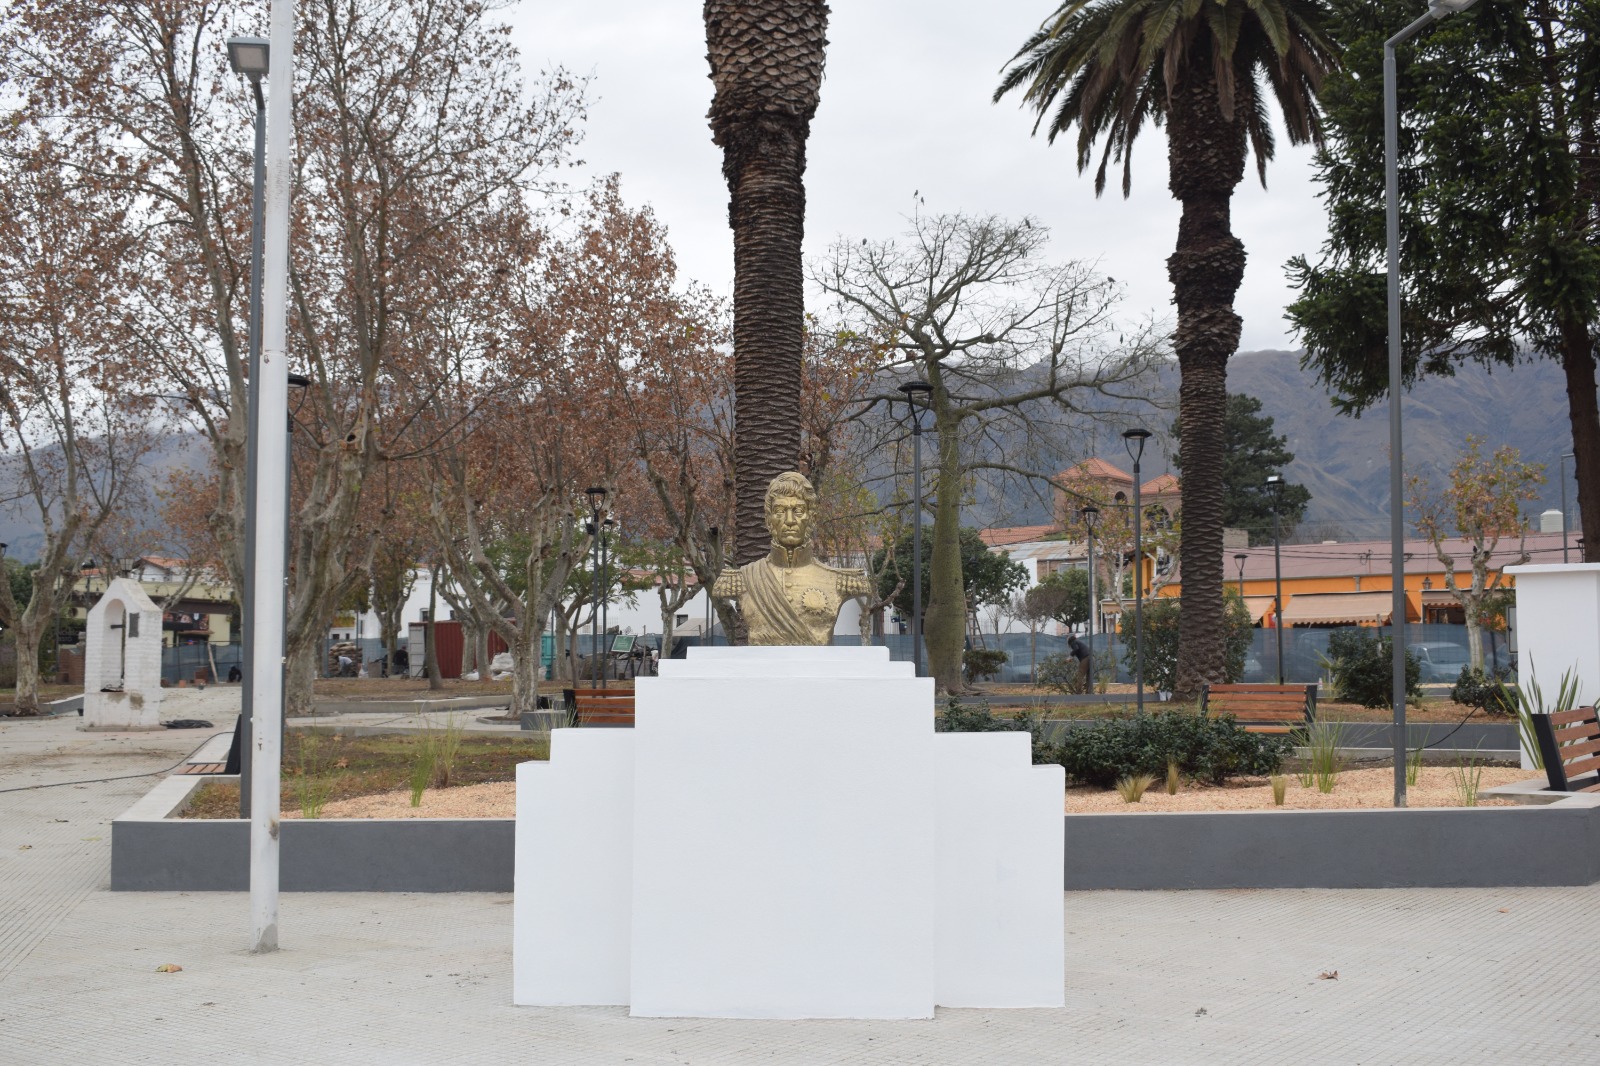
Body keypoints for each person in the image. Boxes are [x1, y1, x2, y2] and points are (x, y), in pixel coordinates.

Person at [711, 472, 871, 645]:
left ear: (812, 518)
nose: (789, 520)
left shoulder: (839, 581)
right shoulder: (742, 579)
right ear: (768, 520)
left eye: (798, 511)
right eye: (780, 511)